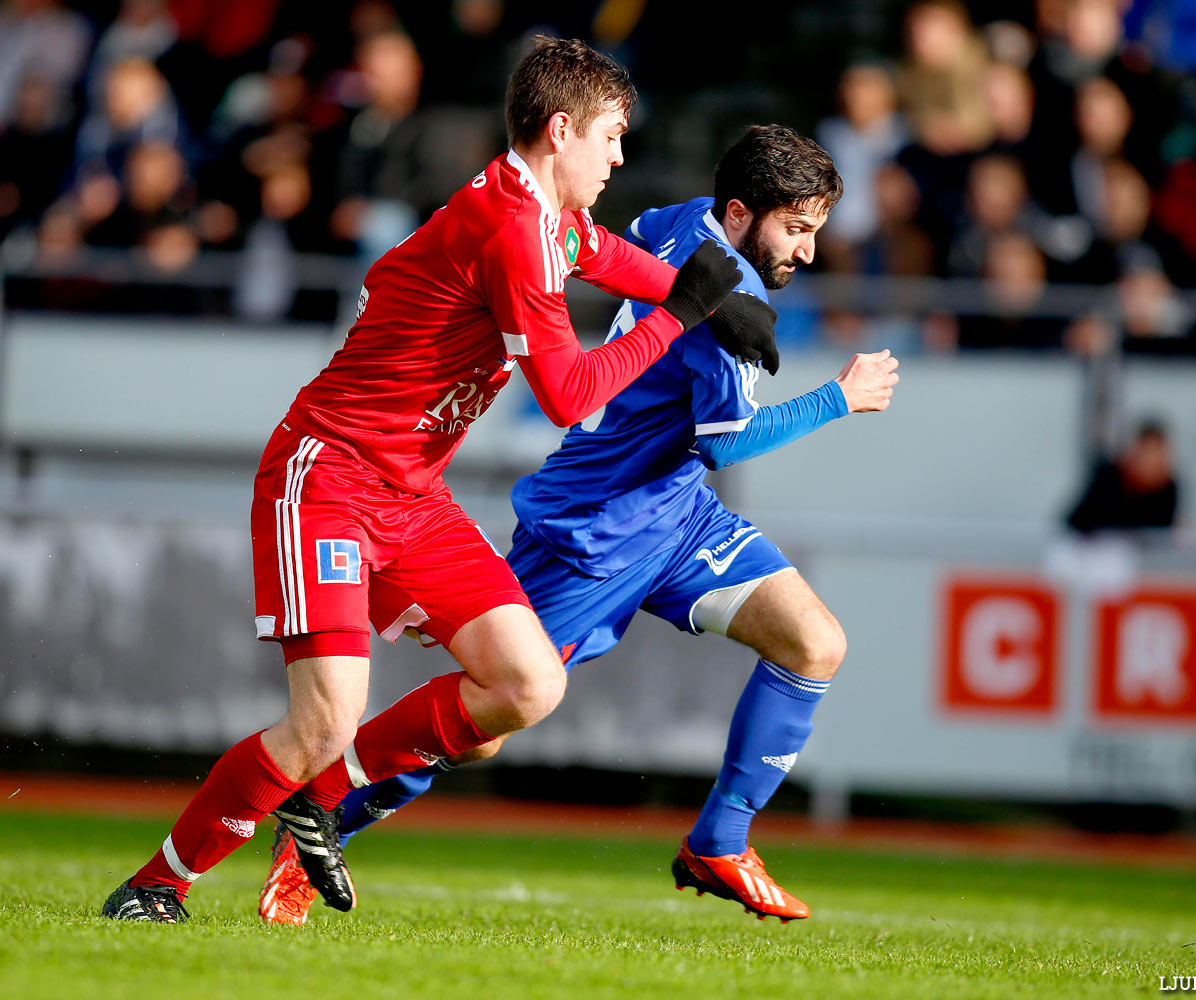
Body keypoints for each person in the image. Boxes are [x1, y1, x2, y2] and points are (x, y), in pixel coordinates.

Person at [101, 36, 773, 924]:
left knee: (527, 683)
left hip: (409, 496)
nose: (619, 157)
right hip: (330, 478)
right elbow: (571, 396)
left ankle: (316, 806)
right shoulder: (513, 232)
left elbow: (611, 256)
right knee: (322, 724)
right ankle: (156, 886)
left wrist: (725, 310)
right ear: (561, 129)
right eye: (610, 137)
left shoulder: (542, 215)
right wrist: (683, 318)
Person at [258, 125, 899, 927]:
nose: (806, 252)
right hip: (594, 530)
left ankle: (720, 842)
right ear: (740, 213)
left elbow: (622, 245)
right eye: (796, 230)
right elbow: (727, 441)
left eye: (815, 232)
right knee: (489, 720)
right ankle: (318, 817)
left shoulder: (680, 220)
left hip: (675, 511)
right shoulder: (731, 286)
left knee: (814, 642)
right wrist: (840, 396)